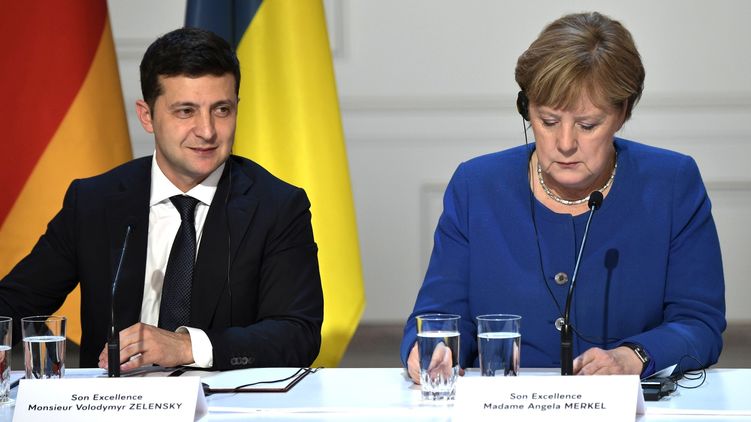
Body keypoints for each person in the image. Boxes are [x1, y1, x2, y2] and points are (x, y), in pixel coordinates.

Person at [401, 12, 725, 381]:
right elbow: (439, 315)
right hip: (504, 405)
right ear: (525, 109)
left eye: (587, 125)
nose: (566, 143)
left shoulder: (671, 183)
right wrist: (430, 350)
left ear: (622, 112)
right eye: (549, 121)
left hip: (624, 406)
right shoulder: (477, 186)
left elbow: (699, 323)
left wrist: (634, 355)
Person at [0, 27, 324, 371]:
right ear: (147, 116)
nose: (207, 131)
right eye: (185, 111)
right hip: (113, 398)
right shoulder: (94, 202)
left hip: (223, 398)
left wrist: (187, 346)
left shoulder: (276, 206)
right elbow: (17, 301)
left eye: (221, 110)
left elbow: (297, 333)